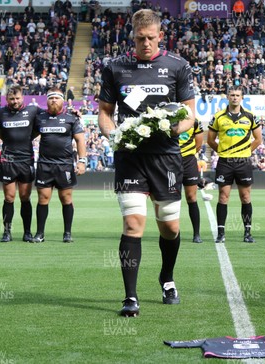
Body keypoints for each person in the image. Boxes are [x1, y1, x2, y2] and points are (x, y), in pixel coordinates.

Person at [97, 9, 196, 317]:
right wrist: (113, 135)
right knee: (133, 223)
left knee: (169, 226)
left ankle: (166, 277)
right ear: (133, 37)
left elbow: (190, 114)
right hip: (130, 158)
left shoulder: (178, 66)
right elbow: (104, 112)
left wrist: (172, 128)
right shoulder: (115, 68)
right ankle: (130, 297)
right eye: (140, 39)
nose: (146, 44)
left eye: (151, 38)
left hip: (166, 157)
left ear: (160, 36)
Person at [31, 87, 87, 244]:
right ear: (46, 100)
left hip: (65, 165)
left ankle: (67, 233)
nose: (54, 100)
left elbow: (80, 140)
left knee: (66, 198)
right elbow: (29, 135)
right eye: (51, 98)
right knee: (43, 198)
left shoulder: (71, 118)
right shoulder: (40, 117)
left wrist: (82, 161)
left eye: (57, 97)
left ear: (63, 100)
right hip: (44, 165)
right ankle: (40, 233)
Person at [207, 86, 261, 244]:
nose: (235, 98)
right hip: (225, 162)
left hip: (243, 162)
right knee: (223, 197)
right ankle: (221, 233)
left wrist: (245, 151)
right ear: (228, 97)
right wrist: (224, 152)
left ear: (242, 97)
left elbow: (258, 140)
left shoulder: (250, 117)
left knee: (245, 197)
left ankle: (247, 233)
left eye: (238, 95)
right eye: (232, 95)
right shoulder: (218, 117)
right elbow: (210, 140)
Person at [0, 85, 39, 243]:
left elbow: (49, 116)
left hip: (26, 160)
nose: (15, 101)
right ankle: (7, 232)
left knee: (25, 197)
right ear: (7, 99)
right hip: (8, 160)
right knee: (9, 197)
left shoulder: (33, 111)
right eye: (12, 99)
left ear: (23, 98)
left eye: (17, 98)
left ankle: (27, 232)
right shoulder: (1, 112)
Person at [180, 119, 204, 243]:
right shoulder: (165, 117)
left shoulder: (194, 121)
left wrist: (188, 154)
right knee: (171, 197)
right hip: (169, 161)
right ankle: (172, 232)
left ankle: (196, 234)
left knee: (191, 197)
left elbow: (198, 144)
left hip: (188, 161)